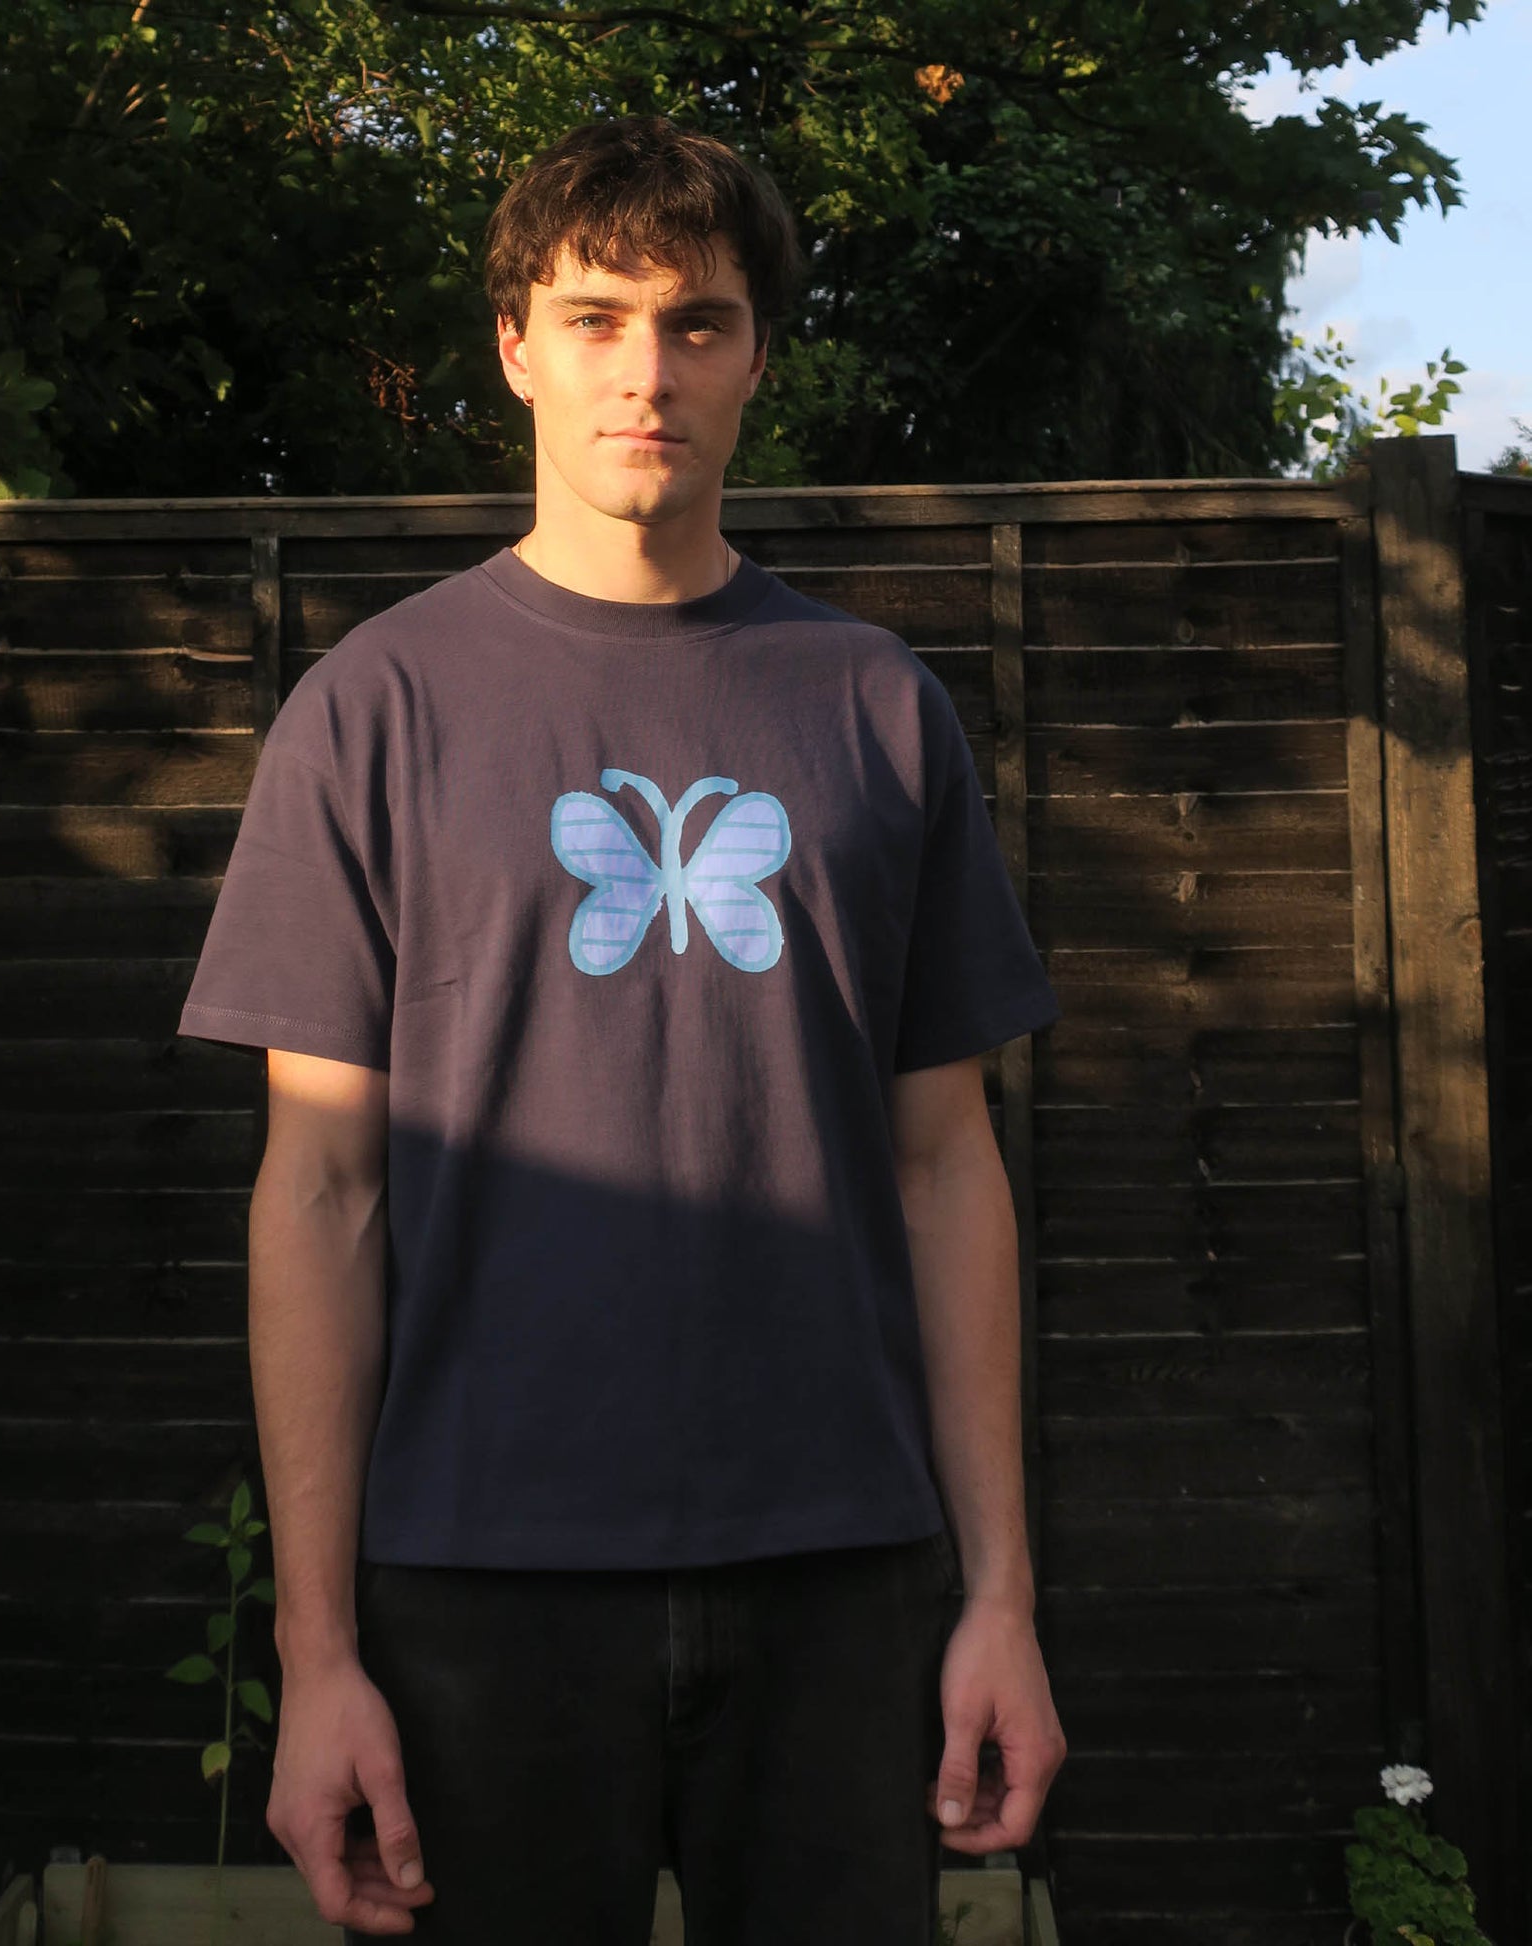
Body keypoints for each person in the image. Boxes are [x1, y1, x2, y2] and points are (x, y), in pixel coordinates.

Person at [176, 113, 1067, 1945]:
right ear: (510, 346)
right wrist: (317, 1650)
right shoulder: (371, 712)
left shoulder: (875, 708)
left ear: (755, 358)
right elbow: (323, 1193)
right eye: (593, 320)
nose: (642, 373)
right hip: (474, 1578)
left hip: (841, 1569)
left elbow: (945, 1164)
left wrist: (1001, 1598)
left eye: (697, 324)